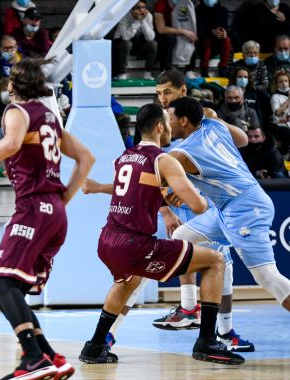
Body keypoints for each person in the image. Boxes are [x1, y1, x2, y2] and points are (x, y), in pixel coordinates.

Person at [0, 59, 93, 380]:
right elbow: (87, 158)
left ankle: (32, 358)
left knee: (3, 286)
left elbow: (12, 144)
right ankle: (49, 356)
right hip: (54, 211)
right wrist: (63, 198)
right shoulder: (50, 118)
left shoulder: (17, 112)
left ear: (15, 85)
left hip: (33, 208)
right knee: (14, 287)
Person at [78, 103, 244, 366]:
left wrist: (103, 188)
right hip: (134, 244)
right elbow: (199, 206)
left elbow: (135, 188)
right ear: (159, 127)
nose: (169, 128)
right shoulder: (163, 160)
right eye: (167, 123)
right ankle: (207, 342)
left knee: (128, 282)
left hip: (108, 240)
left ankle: (94, 345)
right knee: (215, 261)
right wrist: (180, 190)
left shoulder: (124, 157)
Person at [166, 96, 290, 333]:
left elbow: (152, 179)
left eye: (170, 119)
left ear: (183, 120)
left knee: (267, 276)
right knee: (182, 237)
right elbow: (243, 139)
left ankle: (200, 313)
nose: (168, 124)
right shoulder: (213, 123)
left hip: (245, 207)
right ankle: (190, 309)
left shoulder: (181, 153)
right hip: (228, 207)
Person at [112, 1, 157, 80]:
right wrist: (136, 21)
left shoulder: (148, 16)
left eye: (143, 7)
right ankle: (122, 73)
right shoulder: (124, 15)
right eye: (138, 8)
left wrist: (142, 21)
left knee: (153, 44)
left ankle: (148, 72)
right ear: (131, 9)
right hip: (121, 43)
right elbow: (125, 37)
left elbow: (150, 37)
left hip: (138, 44)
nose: (141, 10)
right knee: (127, 44)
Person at [154, 0, 197, 73]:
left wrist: (189, 33)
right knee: (169, 38)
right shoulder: (161, 4)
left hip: (179, 30)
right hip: (163, 33)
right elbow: (161, 29)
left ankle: (189, 70)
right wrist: (183, 32)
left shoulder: (187, 3)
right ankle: (165, 70)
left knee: (194, 37)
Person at [195, 0, 231, 78]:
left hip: (218, 42)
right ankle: (204, 69)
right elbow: (199, 29)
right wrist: (212, 32)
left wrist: (224, 32)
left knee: (226, 40)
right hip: (203, 43)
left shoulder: (223, 10)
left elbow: (226, 27)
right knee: (207, 39)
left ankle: (222, 68)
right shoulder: (198, 10)